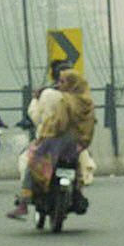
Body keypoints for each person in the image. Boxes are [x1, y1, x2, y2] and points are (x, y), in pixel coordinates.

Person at [8, 69, 97, 217]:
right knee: (79, 168)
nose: (60, 85)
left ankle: (24, 203)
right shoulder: (87, 103)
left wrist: (45, 136)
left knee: (33, 163)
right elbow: (90, 125)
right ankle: (77, 194)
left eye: (63, 82)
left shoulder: (63, 100)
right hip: (77, 145)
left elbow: (57, 123)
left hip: (56, 142)